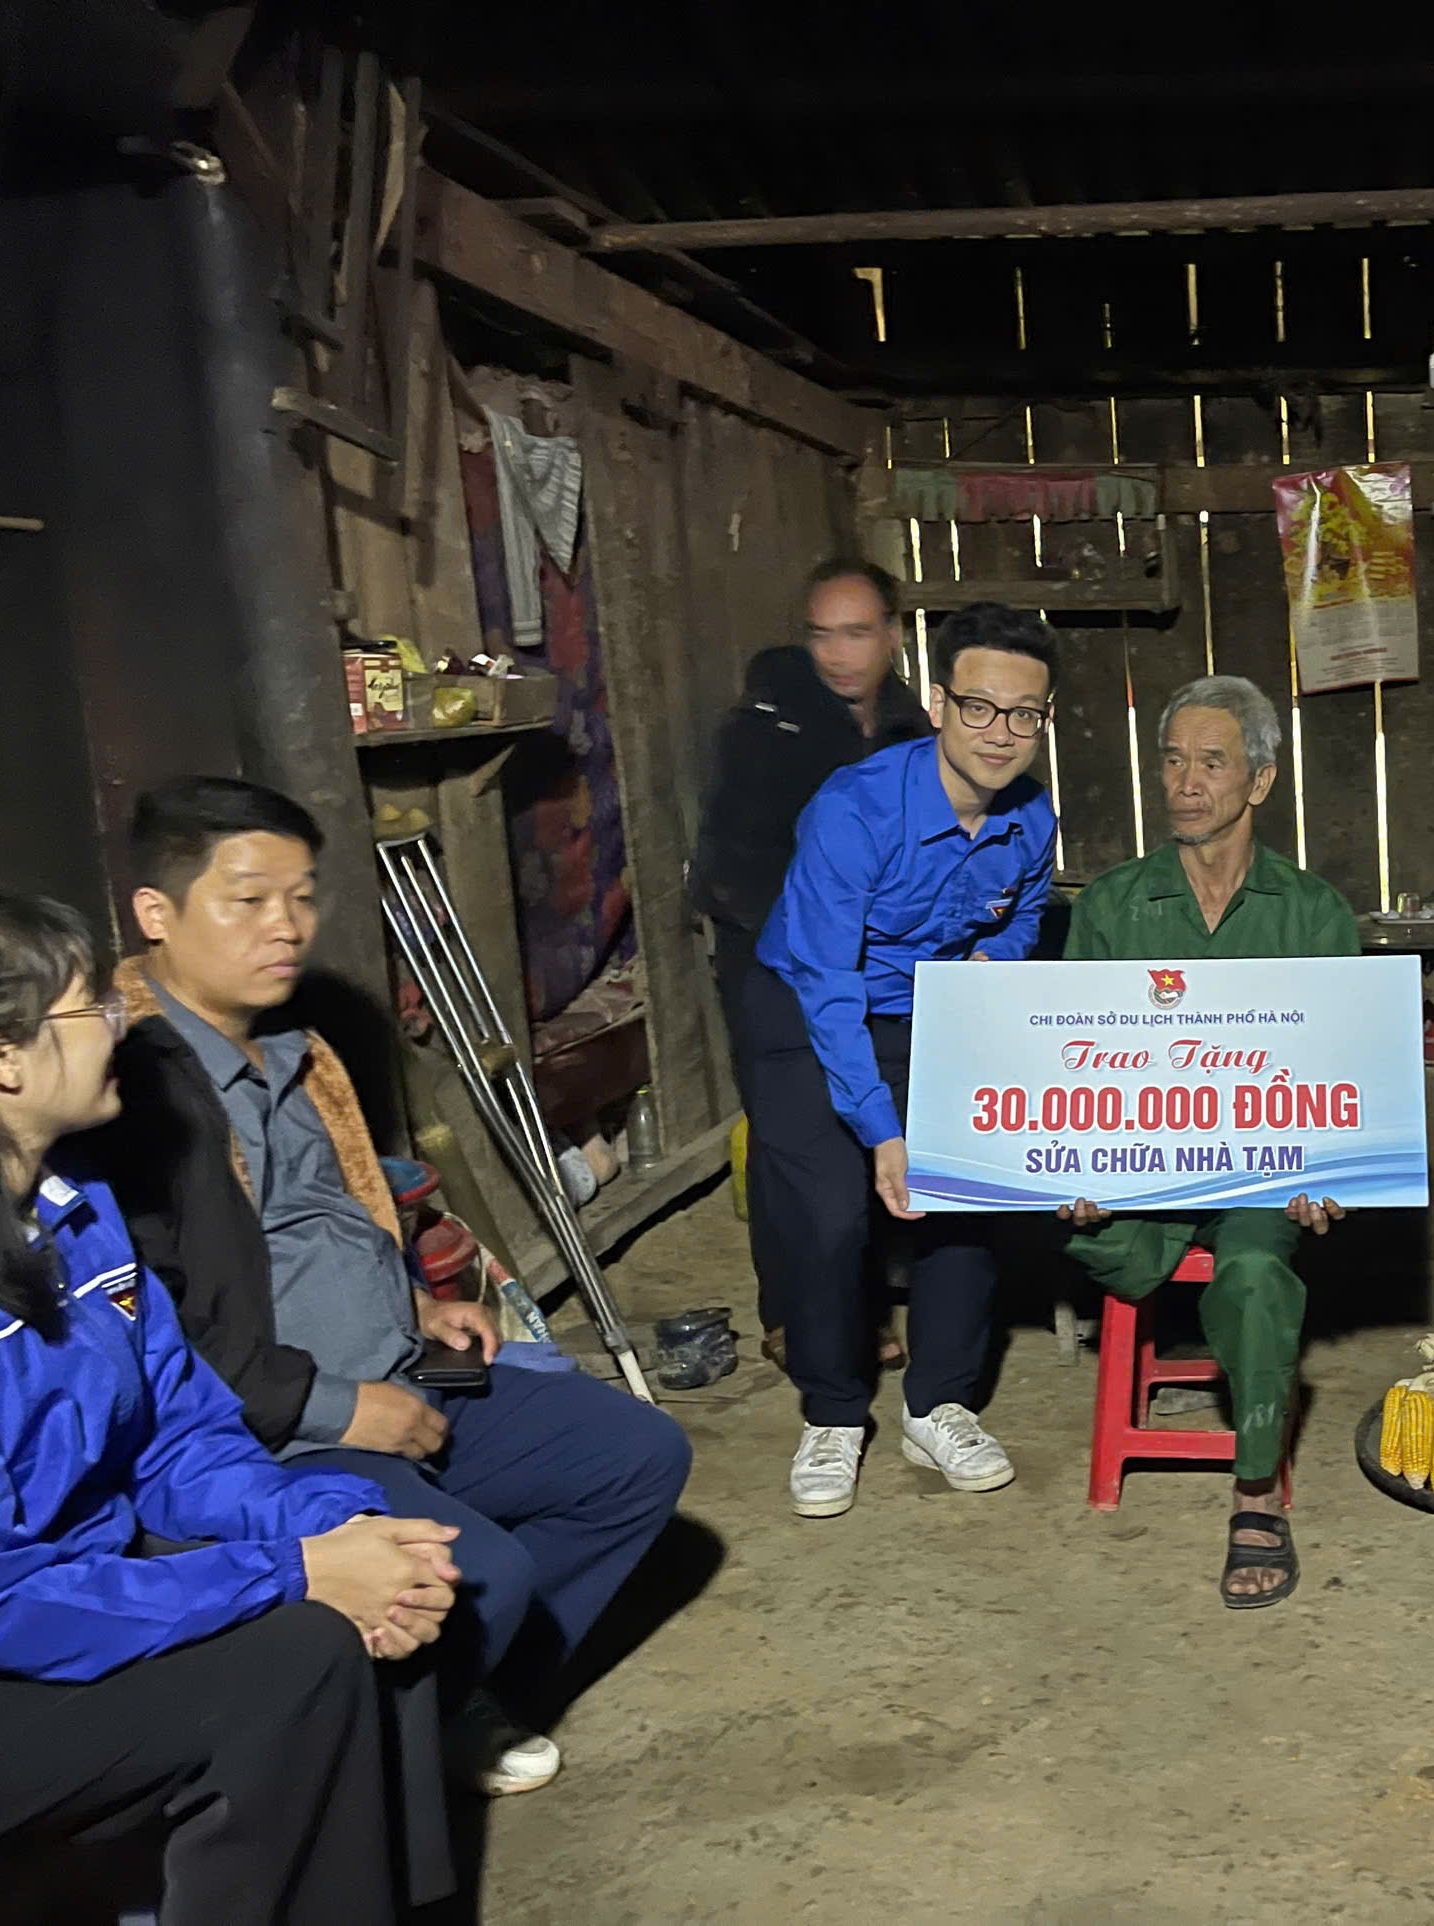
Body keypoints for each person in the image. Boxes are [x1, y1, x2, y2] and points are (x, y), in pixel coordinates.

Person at [91, 778, 693, 1798]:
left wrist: (417, 1303)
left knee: (635, 1456)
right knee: (479, 1572)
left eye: (301, 897)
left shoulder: (292, 1051)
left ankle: (461, 1700)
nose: (287, 927)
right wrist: (341, 1409)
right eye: (248, 900)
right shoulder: (131, 1091)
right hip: (274, 1430)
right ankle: (385, 1760)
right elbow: (157, 1332)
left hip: (400, 1367)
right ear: (157, 913)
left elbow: (336, 1217)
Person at [0, 882, 460, 1924]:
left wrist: (343, 1533)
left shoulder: (76, 1208)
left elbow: (179, 1441)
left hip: (66, 1597)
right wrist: (292, 1572)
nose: (120, 1026)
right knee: (298, 1659)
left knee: (371, 1601)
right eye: (93, 1006)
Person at [749, 601, 1059, 1519]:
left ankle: (940, 1404)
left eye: (1024, 714)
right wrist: (881, 1128)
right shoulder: (854, 810)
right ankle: (833, 1411)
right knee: (831, 1212)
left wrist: (993, 963)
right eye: (979, 707)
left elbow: (1024, 918)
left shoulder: (1032, 817)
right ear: (938, 704)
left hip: (931, 1009)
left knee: (962, 1194)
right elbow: (829, 984)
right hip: (809, 1004)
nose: (1000, 733)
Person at [1057, 675, 1356, 1607]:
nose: (1186, 782)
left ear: (1259, 781)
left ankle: (1256, 1491)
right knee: (1097, 1235)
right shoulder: (1111, 906)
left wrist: (1332, 1169)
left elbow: (1343, 1070)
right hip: (1137, 1171)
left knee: (1257, 1272)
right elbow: (1070, 1063)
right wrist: (1067, 1162)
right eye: (1174, 760)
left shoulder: (1312, 913)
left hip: (1261, 1174)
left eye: (1213, 763)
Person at [692, 558, 929, 1376]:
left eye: (857, 633)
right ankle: (790, 1311)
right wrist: (802, 945)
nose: (838, 654)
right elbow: (731, 861)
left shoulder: (912, 729)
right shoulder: (764, 727)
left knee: (865, 1116)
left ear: (891, 636)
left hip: (870, 957)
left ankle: (854, 1302)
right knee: (785, 1128)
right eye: (823, 635)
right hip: (769, 953)